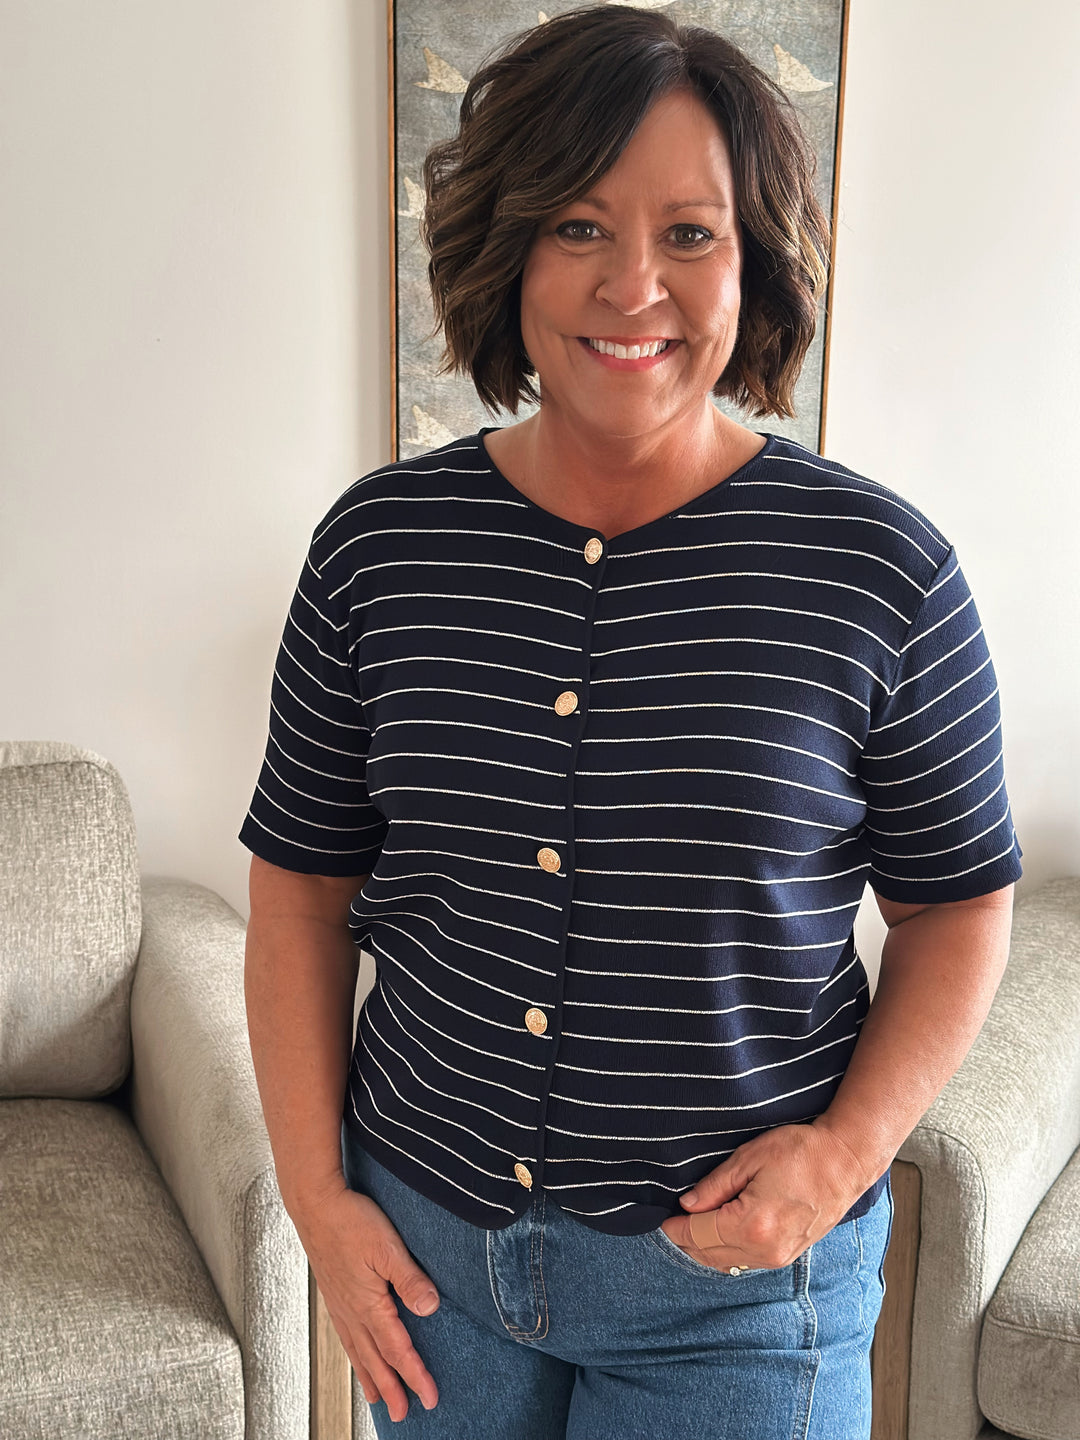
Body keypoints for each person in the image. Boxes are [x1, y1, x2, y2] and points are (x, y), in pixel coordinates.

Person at [240, 7, 1023, 1437]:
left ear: (757, 263)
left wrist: (845, 1156)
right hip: (428, 1267)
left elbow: (960, 909)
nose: (634, 286)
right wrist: (315, 1199)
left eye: (691, 235)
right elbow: (299, 894)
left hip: (730, 1296)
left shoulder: (878, 571)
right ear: (509, 247)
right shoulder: (380, 548)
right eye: (581, 227)